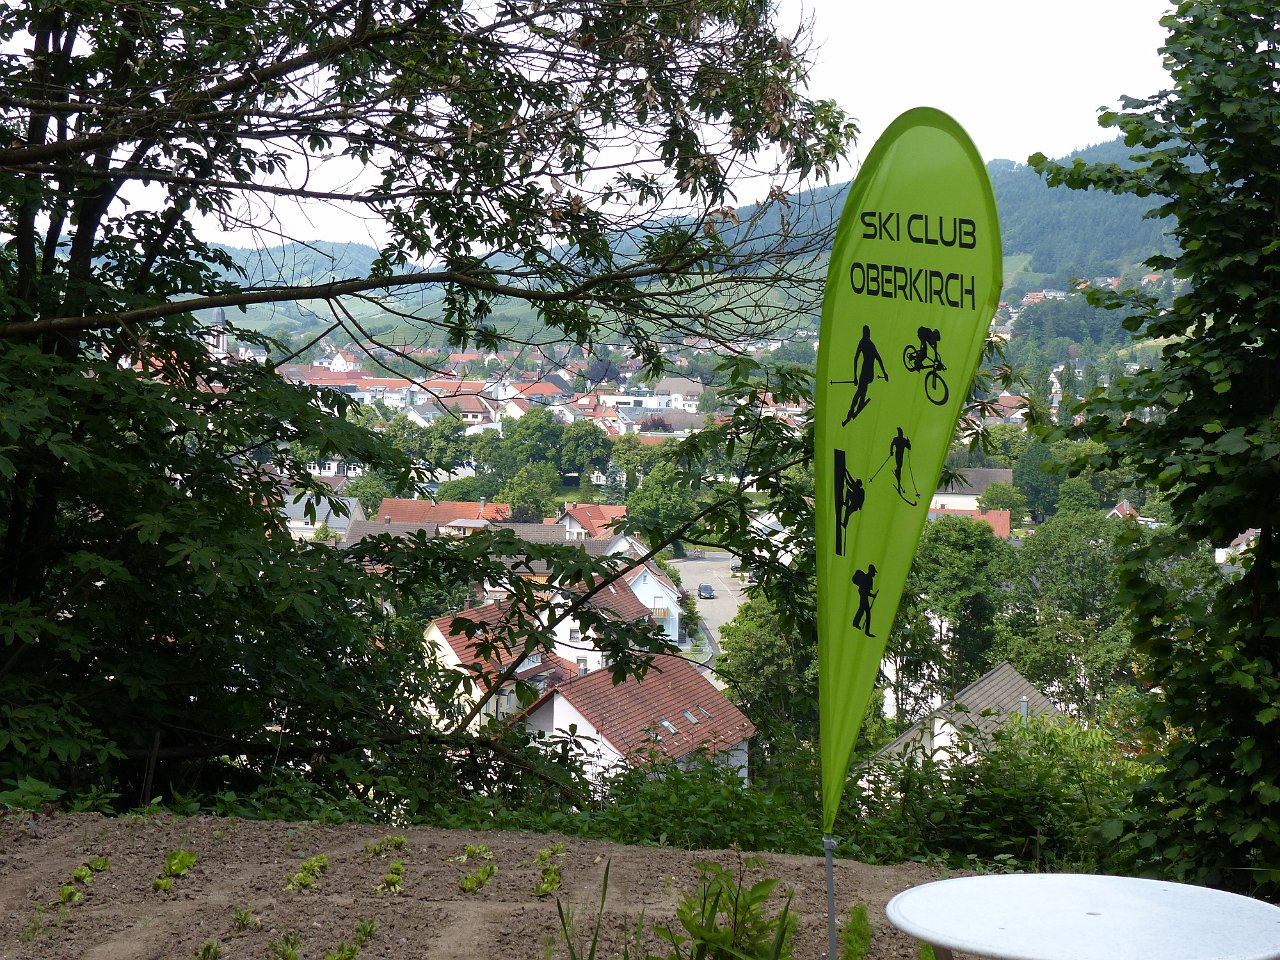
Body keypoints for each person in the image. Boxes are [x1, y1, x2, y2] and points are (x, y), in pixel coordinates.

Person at [842, 325, 887, 426]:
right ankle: (852, 410)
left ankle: (857, 406)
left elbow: (878, 358)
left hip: (869, 371)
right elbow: (856, 358)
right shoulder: (864, 343)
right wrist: (855, 376)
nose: (867, 334)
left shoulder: (869, 344)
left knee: (862, 390)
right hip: (866, 371)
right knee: (860, 391)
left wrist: (884, 373)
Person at [851, 563, 878, 637]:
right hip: (864, 595)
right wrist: (873, 595)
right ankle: (865, 631)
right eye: (874, 572)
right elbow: (867, 592)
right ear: (871, 571)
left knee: (862, 610)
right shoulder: (869, 579)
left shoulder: (867, 578)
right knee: (866, 613)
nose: (874, 574)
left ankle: (856, 623)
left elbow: (866, 591)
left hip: (863, 594)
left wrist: (872, 595)